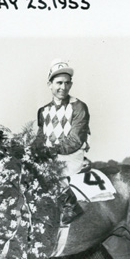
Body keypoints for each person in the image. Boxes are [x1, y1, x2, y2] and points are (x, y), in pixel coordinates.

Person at [35, 60, 90, 223]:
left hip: (71, 155)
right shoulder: (43, 110)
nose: (63, 87)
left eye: (67, 83)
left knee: (48, 170)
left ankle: (70, 206)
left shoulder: (79, 106)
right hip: (51, 155)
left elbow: (76, 139)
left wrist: (51, 151)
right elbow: (40, 137)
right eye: (59, 83)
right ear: (49, 84)